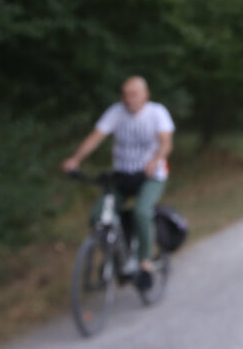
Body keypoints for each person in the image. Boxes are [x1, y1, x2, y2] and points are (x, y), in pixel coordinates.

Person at [62, 76, 174, 287]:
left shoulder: (157, 113)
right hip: (122, 177)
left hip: (151, 175)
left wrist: (155, 160)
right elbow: (95, 137)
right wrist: (75, 159)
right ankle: (116, 258)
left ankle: (144, 261)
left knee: (142, 212)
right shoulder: (116, 112)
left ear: (145, 95)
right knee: (98, 217)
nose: (127, 99)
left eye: (133, 94)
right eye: (124, 94)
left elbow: (166, 143)